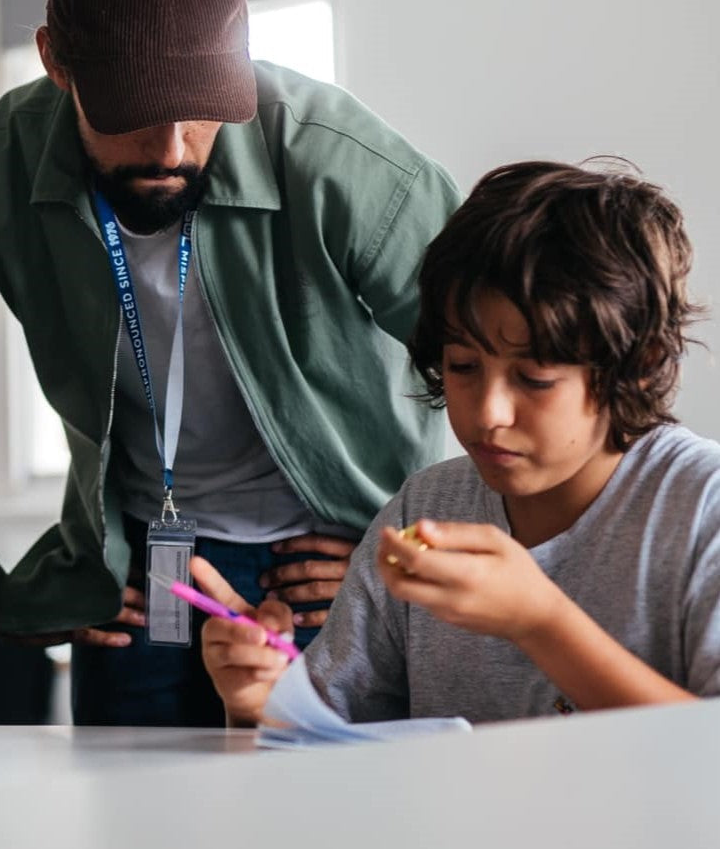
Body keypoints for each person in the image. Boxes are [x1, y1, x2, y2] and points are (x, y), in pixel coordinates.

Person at [0, 0, 461, 725]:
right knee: (136, 840)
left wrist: (405, 547)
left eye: (201, 107)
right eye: (135, 111)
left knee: (346, 836)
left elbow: (509, 372)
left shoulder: (345, 167)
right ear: (55, 63)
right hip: (133, 574)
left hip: (331, 562)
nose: (173, 148)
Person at [197, 160, 720, 727]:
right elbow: (323, 756)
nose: (489, 413)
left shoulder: (702, 510)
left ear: (637, 368)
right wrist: (258, 706)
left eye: (535, 378)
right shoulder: (424, 510)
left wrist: (541, 621)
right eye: (464, 366)